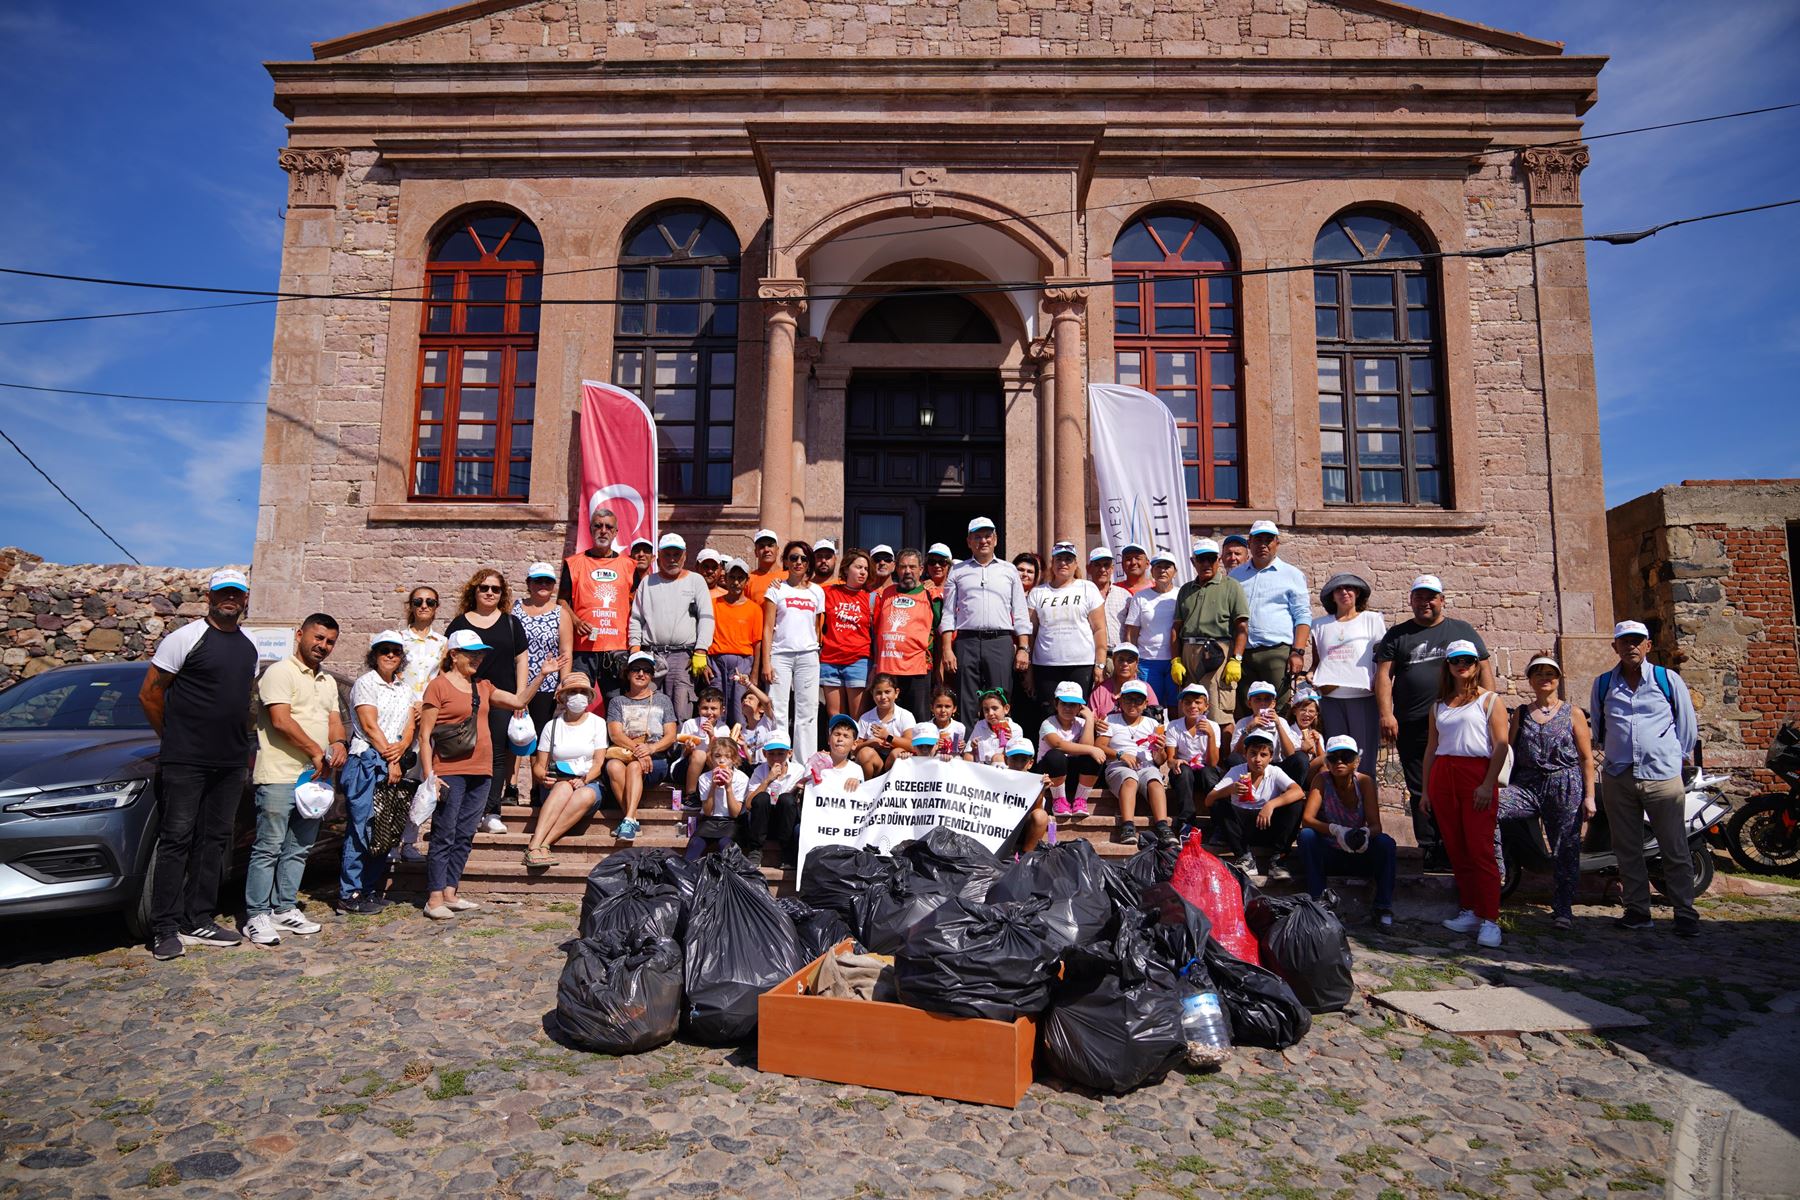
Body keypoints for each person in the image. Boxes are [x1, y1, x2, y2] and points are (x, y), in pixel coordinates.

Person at [137, 568, 258, 959]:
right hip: (185, 759)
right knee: (176, 840)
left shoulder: (249, 646)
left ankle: (198, 918)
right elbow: (150, 696)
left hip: (230, 760)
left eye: (236, 594)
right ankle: (165, 927)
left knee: (214, 841)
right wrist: (172, 739)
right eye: (223, 593)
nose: (230, 599)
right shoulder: (185, 638)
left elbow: (243, 704)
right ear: (209, 597)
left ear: (244, 600)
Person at [417, 629, 557, 919]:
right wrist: (430, 776)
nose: (478, 659)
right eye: (472, 653)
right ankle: (434, 898)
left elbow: (518, 702)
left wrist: (542, 675)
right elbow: (425, 735)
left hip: (481, 771)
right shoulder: (438, 687)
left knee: (466, 833)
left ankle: (451, 893)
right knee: (444, 833)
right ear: (454, 655)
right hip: (450, 771)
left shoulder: (483, 686)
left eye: (481, 653)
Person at [1374, 574, 1495, 870]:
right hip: (1413, 723)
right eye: (1419, 597)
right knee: (1421, 787)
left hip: (1456, 722)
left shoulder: (1461, 630)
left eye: (1430, 597)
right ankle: (1430, 848)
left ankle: (1455, 844)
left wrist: (1490, 707)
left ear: (1442, 600)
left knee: (1456, 785)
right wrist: (1386, 714)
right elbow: (1383, 676)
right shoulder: (1398, 635)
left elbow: (1484, 670)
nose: (1425, 602)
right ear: (1411, 601)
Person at [1590, 620, 1700, 936]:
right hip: (1619, 774)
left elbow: (1687, 727)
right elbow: (1599, 726)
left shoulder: (1668, 680)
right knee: (1627, 848)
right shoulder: (1603, 684)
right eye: (1624, 642)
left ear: (1648, 645)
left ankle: (1684, 911)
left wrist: (1671, 757)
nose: (1631, 647)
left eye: (1637, 641)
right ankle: (1638, 910)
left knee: (1674, 846)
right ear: (1615, 647)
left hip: (1661, 775)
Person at [244, 613, 346, 946]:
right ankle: (256, 914)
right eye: (318, 638)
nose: (323, 646)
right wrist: (318, 752)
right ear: (300, 634)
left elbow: (334, 720)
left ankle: (283, 907)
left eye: (329, 641)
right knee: (269, 846)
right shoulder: (279, 672)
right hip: (280, 774)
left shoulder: (327, 681)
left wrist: (339, 744)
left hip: (314, 778)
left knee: (299, 847)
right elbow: (281, 721)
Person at [1425, 639, 1511, 949]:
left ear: (1476, 665)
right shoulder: (1438, 705)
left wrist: (1488, 784)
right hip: (1443, 775)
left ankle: (1490, 918)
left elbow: (1500, 744)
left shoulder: (1490, 701)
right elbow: (1432, 748)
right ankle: (1471, 909)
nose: (1463, 665)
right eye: (1456, 660)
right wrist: (1425, 790)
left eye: (1468, 660)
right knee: (1457, 848)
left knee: (1480, 848)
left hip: (1475, 773)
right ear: (1447, 666)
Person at [1502, 653, 1596, 930]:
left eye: (1550, 673)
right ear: (1530, 679)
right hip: (1528, 784)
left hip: (1564, 784)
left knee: (1566, 846)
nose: (1545, 678)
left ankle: (1563, 909)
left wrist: (1589, 796)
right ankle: (1498, 869)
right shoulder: (1521, 713)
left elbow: (1586, 757)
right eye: (1539, 673)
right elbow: (1509, 751)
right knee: (1490, 806)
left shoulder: (1573, 713)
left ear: (1558, 679)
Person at [446, 568, 529, 830]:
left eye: (495, 589)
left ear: (502, 594)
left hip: (501, 697)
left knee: (496, 754)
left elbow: (521, 659)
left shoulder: (510, 623)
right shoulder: (460, 623)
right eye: (484, 588)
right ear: (475, 591)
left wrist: (520, 697)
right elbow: (446, 659)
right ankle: (465, 809)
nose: (490, 593)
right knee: (465, 749)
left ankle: (492, 812)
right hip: (466, 697)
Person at [339, 630, 416, 913]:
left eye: (396, 651)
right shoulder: (365, 683)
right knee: (362, 828)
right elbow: (370, 726)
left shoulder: (405, 689)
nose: (391, 655)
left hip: (392, 758)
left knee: (385, 829)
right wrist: (392, 759)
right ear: (374, 655)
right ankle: (349, 893)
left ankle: (369, 888)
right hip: (368, 761)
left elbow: (410, 725)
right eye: (384, 650)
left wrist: (403, 747)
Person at [939, 516, 1031, 725]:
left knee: (999, 699)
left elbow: (1020, 612)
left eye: (988, 536)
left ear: (996, 539)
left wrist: (1023, 648)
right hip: (967, 641)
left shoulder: (1009, 570)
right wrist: (947, 649)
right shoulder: (958, 570)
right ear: (969, 541)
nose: (983, 541)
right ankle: (969, 752)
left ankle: (999, 750)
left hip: (1000, 641)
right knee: (966, 700)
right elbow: (948, 613)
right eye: (978, 537)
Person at [1298, 735, 1397, 927]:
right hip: (1331, 850)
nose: (1340, 762)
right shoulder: (1321, 780)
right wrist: (1336, 830)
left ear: (1356, 761)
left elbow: (1376, 825)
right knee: (1307, 837)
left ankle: (1383, 906)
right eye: (1334, 758)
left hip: (1358, 851)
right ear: (1327, 761)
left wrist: (1365, 835)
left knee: (1386, 843)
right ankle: (1319, 900)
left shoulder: (1364, 782)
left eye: (1346, 757)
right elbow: (1307, 820)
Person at [521, 672, 610, 867]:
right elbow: (538, 766)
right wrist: (542, 777)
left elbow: (598, 763)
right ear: (563, 697)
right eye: (573, 692)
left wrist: (584, 780)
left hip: (587, 782)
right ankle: (538, 845)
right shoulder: (552, 726)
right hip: (557, 785)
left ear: (588, 697)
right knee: (563, 788)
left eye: (582, 692)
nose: (578, 696)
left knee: (586, 795)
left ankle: (541, 843)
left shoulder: (598, 724)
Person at [630, 533, 715, 724]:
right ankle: (652, 752)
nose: (672, 559)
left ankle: (680, 752)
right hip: (651, 655)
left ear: (684, 556)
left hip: (683, 656)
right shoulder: (647, 582)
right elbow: (636, 618)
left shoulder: (696, 581)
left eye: (677, 554)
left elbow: (707, 618)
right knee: (650, 709)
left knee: (681, 708)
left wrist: (701, 649)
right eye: (667, 554)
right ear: (658, 557)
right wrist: (635, 650)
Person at [1227, 520, 1311, 709]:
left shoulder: (1292, 574)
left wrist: (1298, 652)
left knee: (1278, 707)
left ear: (1277, 544)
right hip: (1243, 653)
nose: (1263, 545)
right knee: (1245, 706)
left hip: (1277, 652)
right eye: (1258, 540)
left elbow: (1303, 616)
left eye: (1268, 540)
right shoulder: (1235, 576)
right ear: (1249, 544)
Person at [1025, 541, 1106, 735]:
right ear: (1052, 563)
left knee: (1078, 714)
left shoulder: (1088, 588)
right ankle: (1050, 758)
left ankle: (1080, 758)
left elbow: (1099, 629)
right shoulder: (1038, 593)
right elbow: (1030, 633)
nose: (1063, 563)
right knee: (1048, 715)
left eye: (1068, 559)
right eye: (1059, 559)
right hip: (1045, 665)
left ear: (1076, 564)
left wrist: (1100, 664)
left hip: (1081, 664)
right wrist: (1028, 670)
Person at [559, 504, 635, 706]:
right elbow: (561, 600)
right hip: (583, 648)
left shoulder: (629, 565)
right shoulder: (573, 563)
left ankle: (616, 739)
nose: (603, 531)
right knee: (576, 702)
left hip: (617, 648)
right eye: (598, 526)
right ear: (591, 529)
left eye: (609, 527)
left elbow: (637, 603)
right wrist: (575, 621)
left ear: (616, 532)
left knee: (617, 704)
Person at [1206, 728, 1305, 879]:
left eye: (1263, 755)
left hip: (1267, 826)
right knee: (1219, 804)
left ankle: (1278, 859)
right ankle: (1244, 857)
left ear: (1271, 757)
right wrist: (1229, 789)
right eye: (1253, 754)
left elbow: (1298, 791)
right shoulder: (1235, 771)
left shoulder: (1274, 772)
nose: (1257, 759)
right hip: (1242, 831)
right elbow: (1209, 800)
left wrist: (1270, 805)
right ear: (1245, 755)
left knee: (1296, 804)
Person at [394, 584, 447, 863]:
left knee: (419, 780)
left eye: (430, 601)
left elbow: (443, 678)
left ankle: (410, 842)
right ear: (410, 606)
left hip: (430, 716)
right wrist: (410, 706)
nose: (424, 606)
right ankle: (388, 841)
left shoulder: (443, 642)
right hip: (401, 715)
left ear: (437, 607)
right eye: (418, 601)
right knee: (397, 780)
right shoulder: (398, 639)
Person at [1309, 572, 1386, 766]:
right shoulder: (1319, 625)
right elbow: (1317, 663)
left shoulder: (1372, 619)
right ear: (1332, 595)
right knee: (1337, 759)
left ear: (1358, 593)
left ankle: (1366, 796)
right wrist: (1311, 676)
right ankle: (1338, 797)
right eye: (1339, 589)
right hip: (1331, 698)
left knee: (1364, 759)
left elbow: (1382, 658)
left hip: (1362, 697)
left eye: (1349, 588)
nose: (1344, 592)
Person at [603, 651, 679, 842]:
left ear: (652, 675)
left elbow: (671, 735)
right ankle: (632, 819)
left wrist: (650, 749)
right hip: (627, 753)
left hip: (655, 760)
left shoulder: (663, 700)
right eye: (636, 669)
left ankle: (628, 819)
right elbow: (615, 734)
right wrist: (639, 751)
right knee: (612, 766)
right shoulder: (617, 702)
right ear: (627, 673)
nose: (641, 674)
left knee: (635, 766)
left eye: (646, 670)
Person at [763, 539, 826, 759]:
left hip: (808, 655)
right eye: (793, 558)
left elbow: (818, 627)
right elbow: (767, 629)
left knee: (807, 712)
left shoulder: (817, 592)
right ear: (786, 561)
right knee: (777, 709)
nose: (798, 562)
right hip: (780, 655)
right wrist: (766, 663)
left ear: (809, 563)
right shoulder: (776, 589)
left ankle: (805, 763)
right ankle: (776, 759)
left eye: (803, 558)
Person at [1173, 538, 1248, 720]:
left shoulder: (1231, 586)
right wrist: (1175, 660)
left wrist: (1236, 659)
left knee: (1219, 712)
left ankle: (1223, 750)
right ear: (1193, 561)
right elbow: (1176, 627)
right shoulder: (1185, 590)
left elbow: (1242, 627)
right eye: (1201, 559)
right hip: (1188, 652)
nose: (1206, 563)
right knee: (1188, 710)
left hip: (1218, 651)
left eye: (1211, 559)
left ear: (1219, 560)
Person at [1101, 680, 1175, 846]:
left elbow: (1159, 760)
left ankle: (1162, 825)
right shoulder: (1111, 720)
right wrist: (1120, 755)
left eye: (1138, 700)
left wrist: (1159, 750)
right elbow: (1099, 746)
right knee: (1129, 779)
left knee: (1155, 781)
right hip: (1118, 765)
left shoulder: (1153, 724)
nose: (1132, 704)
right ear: (1120, 701)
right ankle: (1127, 826)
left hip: (1146, 765)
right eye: (1128, 699)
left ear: (1146, 704)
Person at [873, 548, 940, 719]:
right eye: (903, 567)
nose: (907, 571)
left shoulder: (931, 595)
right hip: (887, 668)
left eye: (912, 567)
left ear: (921, 569)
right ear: (896, 568)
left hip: (916, 668)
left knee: (919, 718)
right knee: (888, 719)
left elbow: (942, 630)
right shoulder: (886, 593)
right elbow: (876, 628)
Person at [514, 562, 566, 776]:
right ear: (529, 583)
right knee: (515, 734)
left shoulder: (560, 613)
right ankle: (512, 786)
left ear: (554, 585)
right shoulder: (515, 607)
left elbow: (566, 651)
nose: (543, 585)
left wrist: (563, 681)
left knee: (540, 735)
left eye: (548, 581)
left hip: (546, 683)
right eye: (538, 581)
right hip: (518, 681)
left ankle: (538, 785)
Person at [821, 548, 876, 722]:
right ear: (846, 569)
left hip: (858, 660)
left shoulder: (871, 598)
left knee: (858, 715)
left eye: (866, 569)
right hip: (830, 660)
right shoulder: (827, 592)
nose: (863, 572)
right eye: (858, 567)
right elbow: (802, 588)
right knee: (834, 715)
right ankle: (839, 748)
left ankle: (857, 749)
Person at [1036, 680, 1105, 818]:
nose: (1068, 708)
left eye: (1073, 704)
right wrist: (1091, 749)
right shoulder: (1048, 723)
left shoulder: (1082, 723)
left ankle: (1080, 799)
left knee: (1092, 757)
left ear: (1080, 707)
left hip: (1073, 775)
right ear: (1056, 704)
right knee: (1056, 755)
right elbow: (1058, 744)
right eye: (1064, 703)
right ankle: (1059, 799)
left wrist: (1090, 720)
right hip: (1049, 774)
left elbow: (1087, 746)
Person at [708, 557, 763, 726]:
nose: (736, 582)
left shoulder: (754, 609)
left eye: (741, 578)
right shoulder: (713, 604)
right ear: (726, 578)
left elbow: (757, 643)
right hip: (716, 662)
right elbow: (704, 634)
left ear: (746, 581)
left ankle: (740, 748)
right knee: (716, 708)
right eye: (732, 577)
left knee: (739, 709)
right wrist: (705, 663)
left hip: (742, 664)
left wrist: (754, 673)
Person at [1123, 549, 1181, 700]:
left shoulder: (1182, 595)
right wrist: (1132, 661)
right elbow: (1131, 632)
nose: (1162, 571)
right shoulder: (1140, 597)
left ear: (1175, 571)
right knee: (1151, 707)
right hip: (1146, 662)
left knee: (1176, 707)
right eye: (1158, 567)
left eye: (1167, 567)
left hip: (1175, 661)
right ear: (1152, 570)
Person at [1164, 683, 1222, 827]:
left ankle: (1219, 825)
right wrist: (1175, 762)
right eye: (1188, 702)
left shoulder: (1213, 726)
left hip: (1204, 770)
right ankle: (1187, 821)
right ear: (1182, 705)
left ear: (1206, 706)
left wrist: (1211, 736)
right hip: (1184, 773)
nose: (1193, 706)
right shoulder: (1174, 726)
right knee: (1183, 771)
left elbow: (1213, 763)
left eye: (1198, 702)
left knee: (1209, 774)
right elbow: (1170, 759)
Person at [1229, 680, 1309, 786]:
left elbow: (1290, 753)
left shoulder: (1281, 721)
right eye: (1258, 700)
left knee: (1301, 758)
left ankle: (1293, 792)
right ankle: (1246, 790)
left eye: (1267, 700)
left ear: (1273, 704)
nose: (1263, 703)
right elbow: (1236, 754)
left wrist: (1278, 725)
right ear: (1249, 703)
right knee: (1233, 759)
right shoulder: (1243, 723)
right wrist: (1248, 729)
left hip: (1276, 765)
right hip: (1252, 765)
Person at [744, 733, 804, 866]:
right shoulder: (759, 771)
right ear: (765, 754)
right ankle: (755, 850)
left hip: (785, 823)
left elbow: (793, 803)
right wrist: (767, 781)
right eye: (771, 754)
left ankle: (787, 851)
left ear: (789, 753)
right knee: (762, 798)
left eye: (780, 754)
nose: (776, 758)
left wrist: (796, 790)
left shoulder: (798, 770)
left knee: (787, 799)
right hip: (763, 823)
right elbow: (749, 804)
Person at [686, 734, 748, 861]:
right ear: (711, 758)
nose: (722, 761)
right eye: (717, 756)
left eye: (727, 757)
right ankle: (687, 876)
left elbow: (735, 813)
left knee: (725, 845)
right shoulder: (705, 778)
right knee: (695, 845)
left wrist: (728, 787)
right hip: (710, 821)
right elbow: (708, 811)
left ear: (734, 759)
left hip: (731, 822)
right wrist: (713, 787)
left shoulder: (742, 778)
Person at [673, 686, 730, 809]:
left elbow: (722, 755)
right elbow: (683, 753)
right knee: (699, 754)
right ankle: (690, 795)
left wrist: (712, 736)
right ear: (698, 709)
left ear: (722, 710)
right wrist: (689, 748)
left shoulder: (723, 729)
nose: (709, 712)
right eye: (705, 708)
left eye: (714, 709)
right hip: (686, 768)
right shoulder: (690, 724)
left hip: (710, 767)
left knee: (715, 757)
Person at [854, 673, 915, 777]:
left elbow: (912, 745)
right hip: (875, 763)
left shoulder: (905, 715)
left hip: (892, 762)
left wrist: (888, 737)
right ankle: (867, 788)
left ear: (896, 693)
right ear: (872, 694)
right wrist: (870, 743)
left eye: (887, 692)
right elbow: (855, 750)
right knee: (865, 753)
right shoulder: (865, 718)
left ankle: (894, 790)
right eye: (878, 693)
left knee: (898, 753)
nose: (883, 697)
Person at [1089, 643, 1159, 722]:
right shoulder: (1100, 690)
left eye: (1130, 660)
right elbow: (1090, 719)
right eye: (1121, 659)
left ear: (1136, 663)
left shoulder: (1146, 688)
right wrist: (1096, 724)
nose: (1125, 664)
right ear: (1114, 661)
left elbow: (1156, 718)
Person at [1005, 741, 1052, 855]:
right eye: (1014, 759)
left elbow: (1037, 811)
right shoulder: (996, 775)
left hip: (1022, 829)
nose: (1018, 764)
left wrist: (1041, 791)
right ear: (1007, 760)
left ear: (1030, 763)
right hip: (998, 826)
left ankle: (1026, 857)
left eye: (1023, 760)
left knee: (1041, 816)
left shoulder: (1036, 782)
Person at [965, 689, 1027, 766]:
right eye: (986, 710)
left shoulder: (1015, 729)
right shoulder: (980, 725)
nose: (990, 713)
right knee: (968, 756)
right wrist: (973, 747)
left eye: (994, 708)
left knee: (997, 758)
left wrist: (1011, 743)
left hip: (1003, 768)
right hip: (982, 767)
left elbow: (1016, 758)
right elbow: (968, 751)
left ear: (1006, 709)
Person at [1086, 546, 1131, 648]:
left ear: (1112, 569)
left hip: (1118, 656)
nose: (1102, 569)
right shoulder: (1082, 595)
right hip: (1091, 654)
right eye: (1097, 565)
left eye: (1106, 565)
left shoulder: (1125, 596)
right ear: (1088, 569)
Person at [1288, 689, 1328, 783]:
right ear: (1294, 711)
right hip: (1292, 773)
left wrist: (1317, 743)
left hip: (1310, 774)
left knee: (1324, 769)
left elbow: (1323, 761)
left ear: (1316, 715)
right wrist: (1303, 749)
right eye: (1303, 710)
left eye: (1311, 711)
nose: (1307, 714)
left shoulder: (1317, 734)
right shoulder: (1288, 731)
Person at [922, 685, 967, 758]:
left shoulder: (959, 727)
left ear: (954, 709)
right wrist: (934, 747)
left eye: (947, 706)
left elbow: (959, 753)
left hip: (953, 764)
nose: (943, 710)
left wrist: (962, 748)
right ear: (932, 708)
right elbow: (922, 753)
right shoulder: (926, 727)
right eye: (939, 706)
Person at [745, 528, 783, 605]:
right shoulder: (748, 580)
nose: (766, 549)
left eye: (770, 545)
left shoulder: (789, 576)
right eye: (762, 547)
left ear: (777, 550)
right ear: (756, 552)